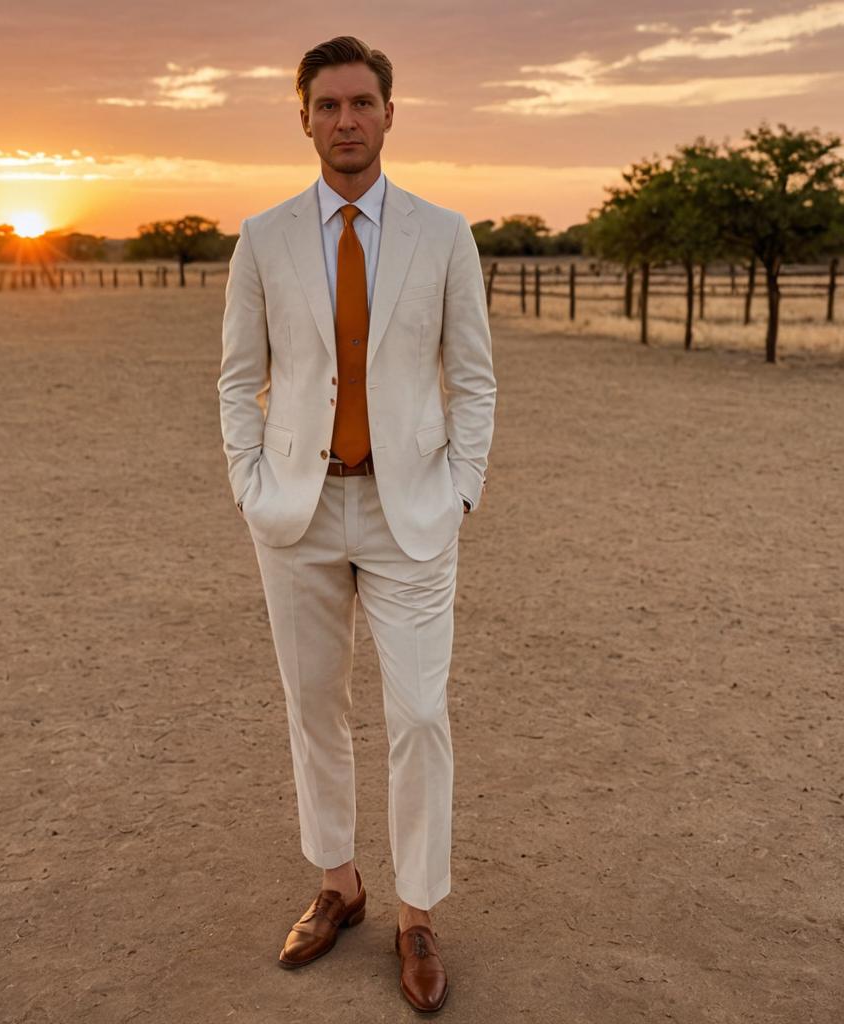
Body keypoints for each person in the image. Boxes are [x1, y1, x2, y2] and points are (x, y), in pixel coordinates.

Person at [216, 34, 496, 1013]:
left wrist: (460, 484)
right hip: (296, 508)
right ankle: (338, 881)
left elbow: (472, 375)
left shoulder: (443, 232)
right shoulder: (264, 236)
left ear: (389, 113)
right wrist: (253, 485)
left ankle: (417, 909)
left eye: (361, 103)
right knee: (314, 704)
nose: (345, 120)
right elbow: (235, 378)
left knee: (419, 712)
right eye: (327, 105)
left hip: (409, 506)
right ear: (302, 117)